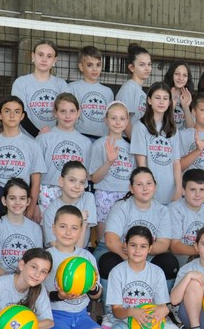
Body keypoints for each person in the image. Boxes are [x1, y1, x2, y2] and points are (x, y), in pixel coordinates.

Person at [104, 226, 189, 329]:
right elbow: (117, 311)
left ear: (150, 248)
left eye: (143, 246)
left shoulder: (157, 272)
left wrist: (164, 310)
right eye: (133, 245)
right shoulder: (117, 272)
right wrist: (132, 312)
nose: (137, 250)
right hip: (125, 321)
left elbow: (162, 307)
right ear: (125, 246)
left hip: (151, 322)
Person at [47, 205, 112, 329]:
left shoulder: (87, 257)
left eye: (74, 228)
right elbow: (38, 296)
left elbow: (96, 295)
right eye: (63, 226)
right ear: (53, 228)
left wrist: (92, 287)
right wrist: (60, 296)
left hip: (81, 316)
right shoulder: (46, 257)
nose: (68, 232)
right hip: (55, 316)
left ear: (81, 231)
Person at [98, 167, 178, 283]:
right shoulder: (121, 207)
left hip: (147, 255)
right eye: (139, 184)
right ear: (131, 188)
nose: (145, 188)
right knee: (108, 262)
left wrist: (140, 255)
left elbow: (163, 244)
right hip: (119, 252)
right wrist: (131, 260)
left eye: (149, 183)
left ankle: (162, 296)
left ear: (155, 186)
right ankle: (108, 296)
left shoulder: (162, 211)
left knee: (169, 263)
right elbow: (111, 242)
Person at [0, 96, 45, 223]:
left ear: (22, 116)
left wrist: (29, 212)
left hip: (19, 196)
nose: (12, 115)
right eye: (7, 111)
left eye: (17, 111)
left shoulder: (33, 145)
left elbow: (36, 182)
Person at [36, 92, 93, 213]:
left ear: (78, 113)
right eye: (63, 111)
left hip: (75, 193)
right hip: (47, 192)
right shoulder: (43, 139)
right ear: (55, 113)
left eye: (72, 111)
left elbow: (86, 176)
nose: (68, 116)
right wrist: (35, 203)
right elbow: (35, 174)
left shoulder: (86, 143)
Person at [130, 82, 183, 205]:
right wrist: (148, 187)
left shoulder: (173, 129)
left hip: (169, 189)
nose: (161, 102)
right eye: (157, 98)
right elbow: (141, 164)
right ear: (149, 100)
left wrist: (179, 188)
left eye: (165, 98)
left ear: (169, 102)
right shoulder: (140, 126)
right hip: (149, 190)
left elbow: (176, 162)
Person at [87, 101, 134, 238]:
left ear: (127, 122)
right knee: (104, 240)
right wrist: (109, 162)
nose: (118, 122)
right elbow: (95, 178)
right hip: (105, 195)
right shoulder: (99, 144)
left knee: (125, 238)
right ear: (106, 120)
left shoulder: (131, 147)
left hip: (126, 196)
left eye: (122, 119)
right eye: (113, 118)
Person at [0, 178, 44, 276]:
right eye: (12, 198)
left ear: (28, 201)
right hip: (2, 280)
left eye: (22, 198)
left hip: (28, 280)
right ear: (4, 200)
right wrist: (14, 282)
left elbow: (38, 264)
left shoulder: (36, 229)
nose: (17, 202)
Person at [11, 40, 65, 136]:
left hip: (54, 139)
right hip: (28, 139)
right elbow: (19, 113)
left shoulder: (61, 84)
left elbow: (66, 114)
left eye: (49, 56)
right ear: (33, 56)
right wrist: (38, 135)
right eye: (40, 55)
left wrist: (52, 136)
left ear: (54, 60)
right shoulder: (21, 83)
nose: (44, 59)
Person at [169, 168, 204, 263]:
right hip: (182, 261)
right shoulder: (174, 209)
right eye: (193, 190)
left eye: (202, 190)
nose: (197, 194)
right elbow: (175, 245)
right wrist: (203, 251)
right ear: (183, 191)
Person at [41, 161, 96, 248]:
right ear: (61, 181)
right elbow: (56, 247)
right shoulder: (51, 211)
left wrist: (84, 223)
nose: (77, 186)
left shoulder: (87, 198)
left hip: (81, 250)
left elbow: (79, 249)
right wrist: (80, 220)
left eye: (82, 182)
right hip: (59, 253)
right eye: (72, 180)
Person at [68, 45, 113, 140]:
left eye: (98, 65)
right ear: (81, 67)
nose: (95, 69)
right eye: (89, 65)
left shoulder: (108, 92)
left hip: (102, 138)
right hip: (79, 137)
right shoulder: (72, 88)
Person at [113, 43, 152, 124]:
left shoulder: (142, 93)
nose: (147, 68)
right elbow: (124, 121)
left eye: (149, 64)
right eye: (142, 65)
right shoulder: (129, 87)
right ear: (131, 67)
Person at [162, 60, 194, 132]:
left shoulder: (191, 98)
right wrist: (171, 106)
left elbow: (191, 129)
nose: (181, 78)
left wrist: (186, 107)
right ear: (171, 75)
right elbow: (160, 124)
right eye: (177, 74)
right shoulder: (162, 94)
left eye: (184, 75)